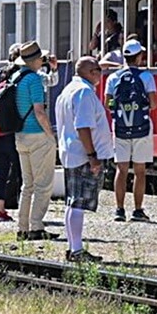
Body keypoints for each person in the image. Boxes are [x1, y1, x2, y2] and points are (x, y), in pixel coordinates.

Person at [56, 57, 114, 263]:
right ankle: (77, 250)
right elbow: (83, 126)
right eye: (98, 69)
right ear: (90, 72)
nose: (100, 73)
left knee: (73, 202)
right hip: (83, 155)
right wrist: (93, 157)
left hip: (72, 152)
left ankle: (74, 247)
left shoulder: (68, 90)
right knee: (78, 203)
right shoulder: (84, 92)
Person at [105, 40, 156, 222]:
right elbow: (154, 103)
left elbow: (108, 102)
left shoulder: (113, 78)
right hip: (142, 127)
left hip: (120, 127)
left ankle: (119, 210)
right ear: (139, 57)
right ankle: (138, 210)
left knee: (121, 168)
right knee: (140, 170)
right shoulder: (146, 77)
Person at [13, 41, 58, 241]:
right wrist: (50, 135)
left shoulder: (16, 77)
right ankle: (37, 226)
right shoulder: (34, 80)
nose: (43, 60)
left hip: (20, 135)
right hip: (37, 136)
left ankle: (23, 226)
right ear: (34, 60)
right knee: (43, 185)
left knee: (27, 184)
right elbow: (39, 111)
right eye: (41, 58)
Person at [0, 48, 23, 223]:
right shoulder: (14, 90)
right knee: (19, 172)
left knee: (1, 173)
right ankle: (22, 209)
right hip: (10, 135)